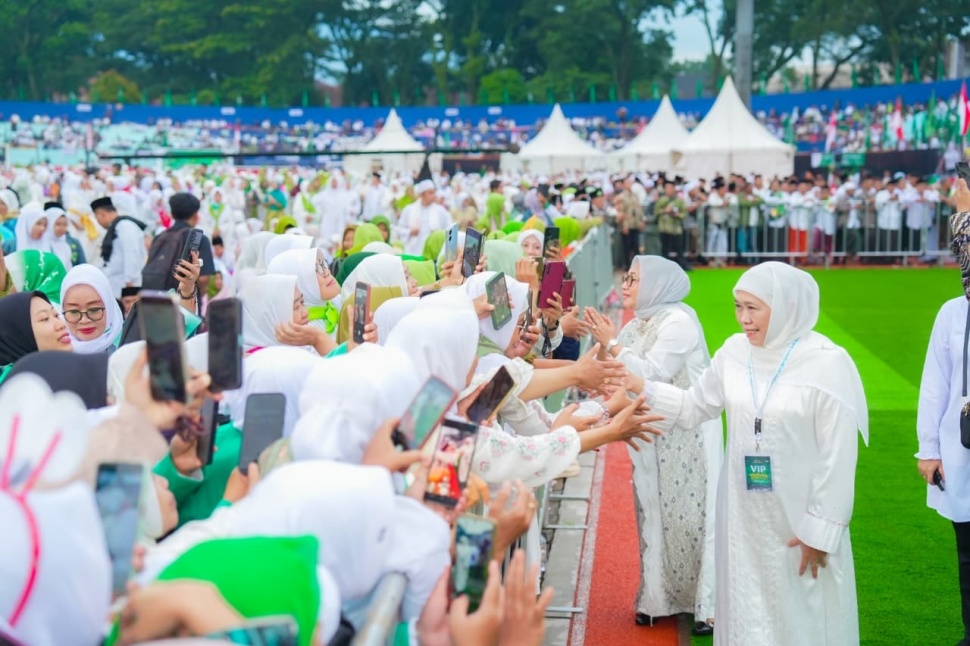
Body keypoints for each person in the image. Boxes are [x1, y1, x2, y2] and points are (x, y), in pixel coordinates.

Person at [633, 261, 868, 645]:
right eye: (738, 306)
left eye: (753, 307)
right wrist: (641, 388)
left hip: (798, 519)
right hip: (741, 512)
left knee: (802, 610)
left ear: (785, 305)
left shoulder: (827, 362)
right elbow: (695, 406)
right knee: (745, 605)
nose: (743, 318)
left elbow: (838, 455)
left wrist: (820, 530)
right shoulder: (734, 353)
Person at [584, 256, 721, 633]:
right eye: (625, 277)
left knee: (694, 518)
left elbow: (649, 375)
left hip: (689, 430)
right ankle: (656, 600)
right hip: (648, 431)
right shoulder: (637, 324)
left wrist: (610, 341)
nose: (625, 284)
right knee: (653, 512)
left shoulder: (678, 322)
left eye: (634, 278)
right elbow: (613, 373)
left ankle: (705, 605)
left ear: (658, 284)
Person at [917, 176, 970, 646]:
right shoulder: (952, 313)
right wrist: (927, 449)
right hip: (961, 451)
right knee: (967, 551)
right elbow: (934, 386)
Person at [0, 291, 73, 378]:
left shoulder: (73, 369)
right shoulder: (17, 388)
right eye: (45, 319)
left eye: (56, 315)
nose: (61, 325)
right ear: (18, 334)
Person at [59, 264, 126, 353]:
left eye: (94, 310)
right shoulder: (54, 353)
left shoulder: (130, 349)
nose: (84, 320)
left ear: (109, 308)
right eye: (74, 311)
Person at [92, 195, 148, 299]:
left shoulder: (125, 226)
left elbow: (131, 253)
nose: (98, 222)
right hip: (117, 285)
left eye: (96, 218)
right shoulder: (115, 227)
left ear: (101, 214)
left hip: (128, 285)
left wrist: (130, 280)